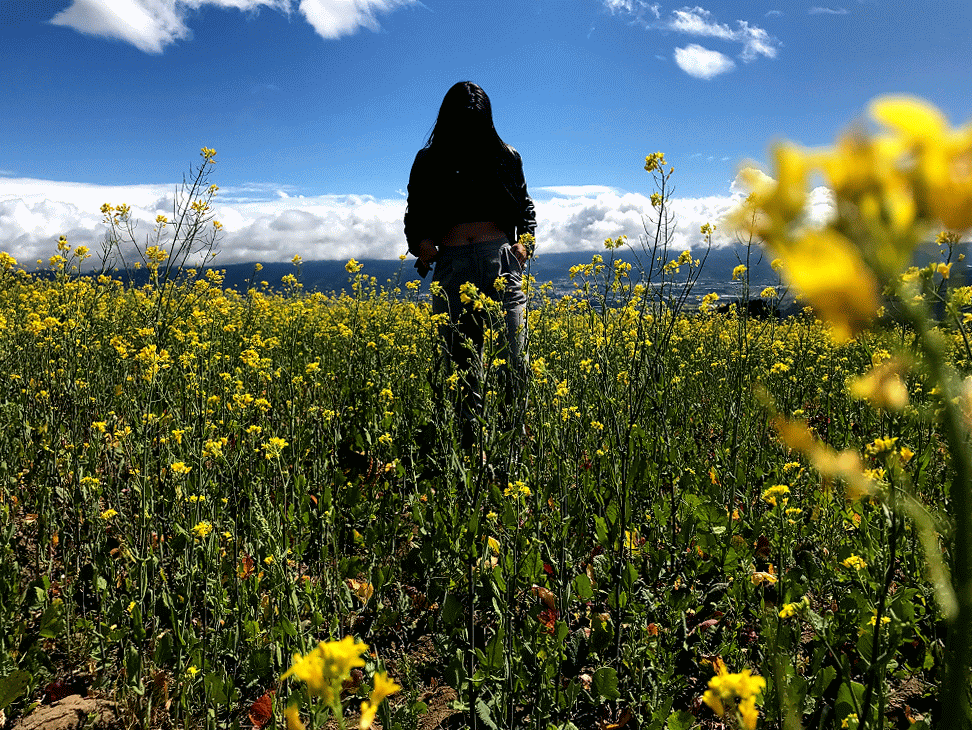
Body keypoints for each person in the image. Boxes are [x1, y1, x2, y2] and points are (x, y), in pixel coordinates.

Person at [404, 81, 536, 454]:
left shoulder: (506, 156)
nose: (468, 130)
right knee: (461, 359)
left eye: (475, 122)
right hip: (452, 262)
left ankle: (512, 444)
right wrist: (422, 243)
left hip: (500, 259)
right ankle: (469, 446)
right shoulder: (428, 160)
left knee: (513, 354)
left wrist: (524, 244)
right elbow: (415, 215)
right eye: (461, 122)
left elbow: (525, 209)